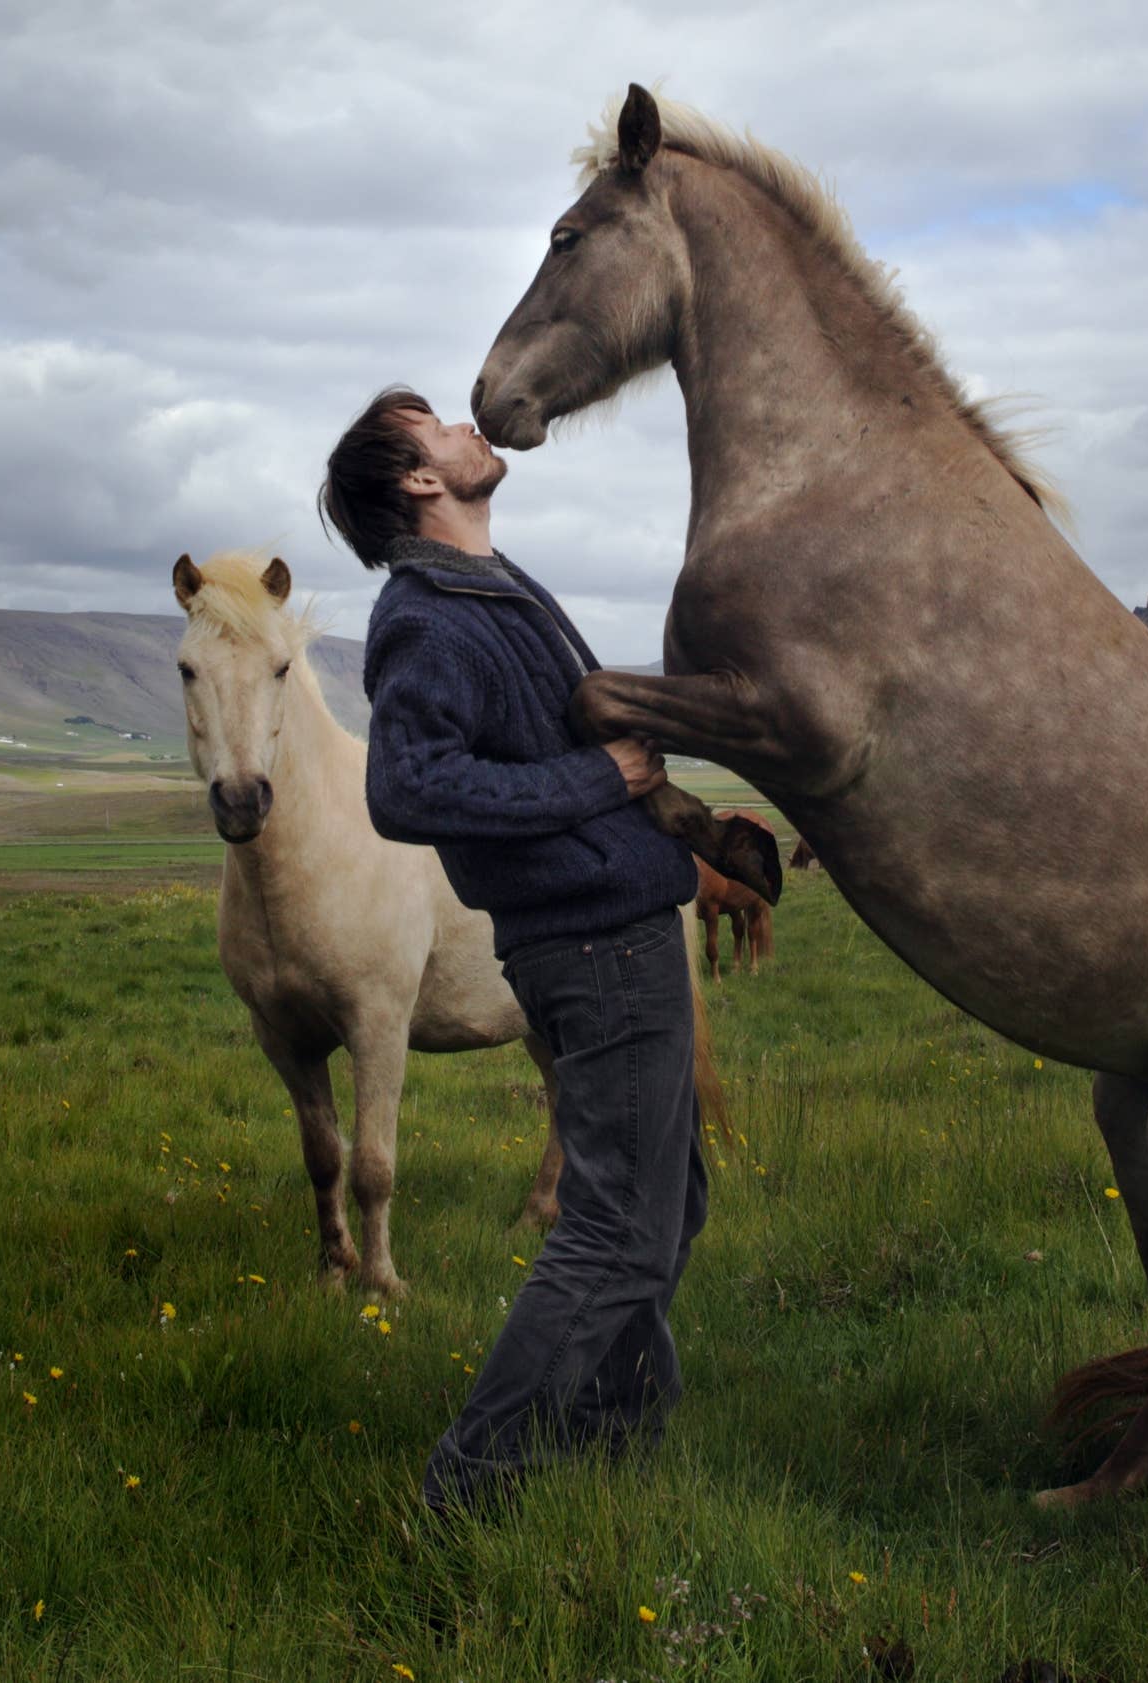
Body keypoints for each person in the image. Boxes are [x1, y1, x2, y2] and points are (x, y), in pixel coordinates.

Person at [319, 384, 705, 1511]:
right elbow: (408, 787)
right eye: (437, 426)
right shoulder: (430, 618)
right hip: (590, 947)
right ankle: (465, 1493)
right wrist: (600, 778)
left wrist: (686, 831)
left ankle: (612, 1441)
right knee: (618, 1233)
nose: (466, 426)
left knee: (664, 1209)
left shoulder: (486, 589)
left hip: (617, 924)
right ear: (418, 482)